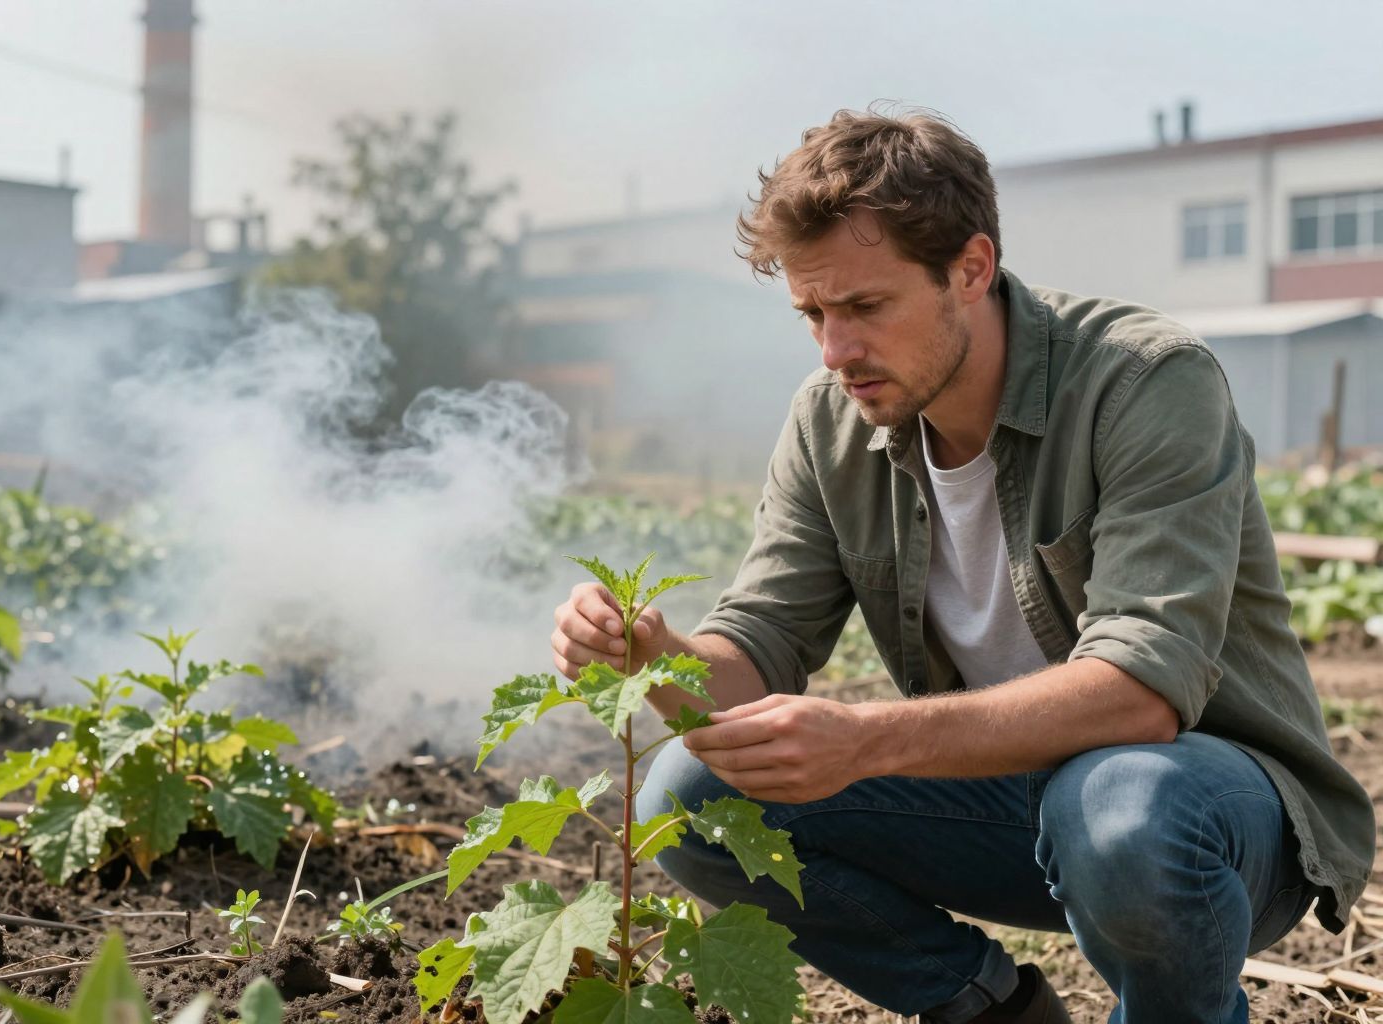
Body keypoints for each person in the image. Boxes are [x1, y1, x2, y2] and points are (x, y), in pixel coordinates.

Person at [549, 106, 1375, 1024]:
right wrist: (656, 658)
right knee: (694, 798)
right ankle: (992, 1013)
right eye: (813, 313)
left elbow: (1142, 689)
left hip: (1212, 820)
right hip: (1010, 807)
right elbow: (760, 645)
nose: (835, 350)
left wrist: (864, 741)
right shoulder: (831, 421)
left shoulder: (1143, 382)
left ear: (971, 269)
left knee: (1122, 801)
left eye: (865, 307)